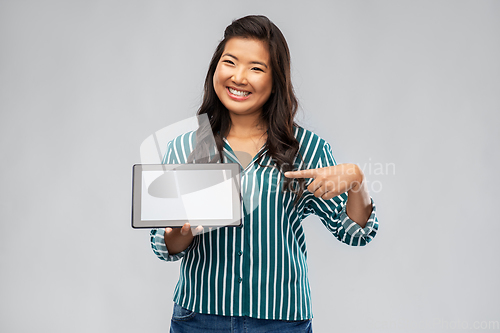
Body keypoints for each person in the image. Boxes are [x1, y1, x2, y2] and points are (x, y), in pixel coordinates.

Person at [150, 15, 379, 333]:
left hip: (280, 321)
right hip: (198, 319)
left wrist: (356, 180)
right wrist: (182, 233)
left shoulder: (306, 150)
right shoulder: (186, 146)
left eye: (256, 68)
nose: (239, 77)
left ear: (276, 80)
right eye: (230, 62)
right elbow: (163, 246)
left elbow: (355, 233)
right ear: (216, 68)